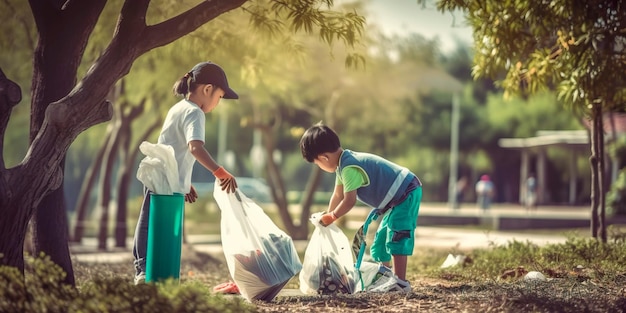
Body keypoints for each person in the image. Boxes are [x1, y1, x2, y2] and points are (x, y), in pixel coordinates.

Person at [132, 61, 239, 285]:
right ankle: (143, 269)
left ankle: (156, 271)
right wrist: (219, 172)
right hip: (163, 180)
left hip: (164, 178)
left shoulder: (177, 108)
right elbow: (194, 148)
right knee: (151, 223)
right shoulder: (195, 113)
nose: (218, 103)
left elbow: (172, 147)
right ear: (207, 89)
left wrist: (183, 182)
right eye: (219, 97)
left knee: (156, 223)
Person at [299, 123, 422, 293]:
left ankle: (401, 282)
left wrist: (333, 216)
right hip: (395, 200)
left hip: (406, 192)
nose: (318, 166)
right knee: (380, 242)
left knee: (397, 234)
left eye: (316, 163)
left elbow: (349, 201)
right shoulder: (342, 166)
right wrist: (327, 215)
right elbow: (337, 195)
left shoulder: (349, 167)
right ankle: (386, 277)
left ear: (324, 158)